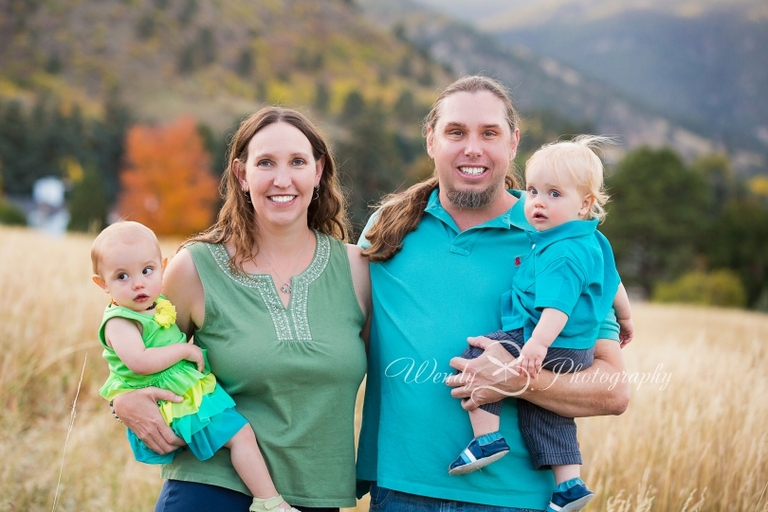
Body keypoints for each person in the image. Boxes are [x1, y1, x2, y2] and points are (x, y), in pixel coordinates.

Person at [357, 75, 629, 512]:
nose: (472, 148)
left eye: (489, 133)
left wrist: (515, 380)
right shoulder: (388, 229)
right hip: (400, 491)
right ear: (430, 140)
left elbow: (613, 390)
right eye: (455, 132)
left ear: (513, 142)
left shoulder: (558, 238)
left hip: (516, 499)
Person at [111, 107, 371, 512]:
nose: (281, 180)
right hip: (210, 488)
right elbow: (130, 346)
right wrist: (123, 402)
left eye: (297, 162)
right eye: (265, 162)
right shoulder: (196, 267)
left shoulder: (358, 271)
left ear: (318, 172)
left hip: (315, 494)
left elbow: (399, 375)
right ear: (241, 174)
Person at [447, 136, 635, 512]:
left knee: (480, 354)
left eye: (553, 194)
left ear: (584, 203)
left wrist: (535, 345)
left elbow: (557, 307)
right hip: (577, 349)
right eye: (533, 191)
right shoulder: (594, 240)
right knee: (548, 409)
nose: (537, 202)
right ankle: (569, 484)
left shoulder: (559, 250)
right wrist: (626, 320)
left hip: (546, 337)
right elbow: (614, 285)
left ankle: (487, 438)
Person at [91, 221, 298, 512]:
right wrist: (184, 349)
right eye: (122, 276)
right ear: (102, 284)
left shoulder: (155, 304)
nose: (138, 283)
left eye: (147, 271)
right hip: (170, 397)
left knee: (237, 435)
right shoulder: (121, 321)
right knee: (240, 435)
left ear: (163, 267)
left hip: (179, 388)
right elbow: (138, 362)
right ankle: (269, 501)